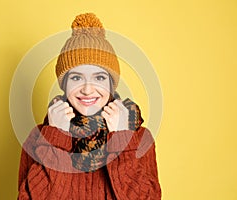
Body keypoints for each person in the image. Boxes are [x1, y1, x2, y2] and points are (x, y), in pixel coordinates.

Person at [18, 13, 161, 199]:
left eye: (99, 78)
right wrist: (56, 138)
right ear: (64, 84)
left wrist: (121, 138)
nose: (87, 89)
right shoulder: (39, 138)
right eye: (76, 78)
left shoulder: (139, 137)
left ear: (111, 84)